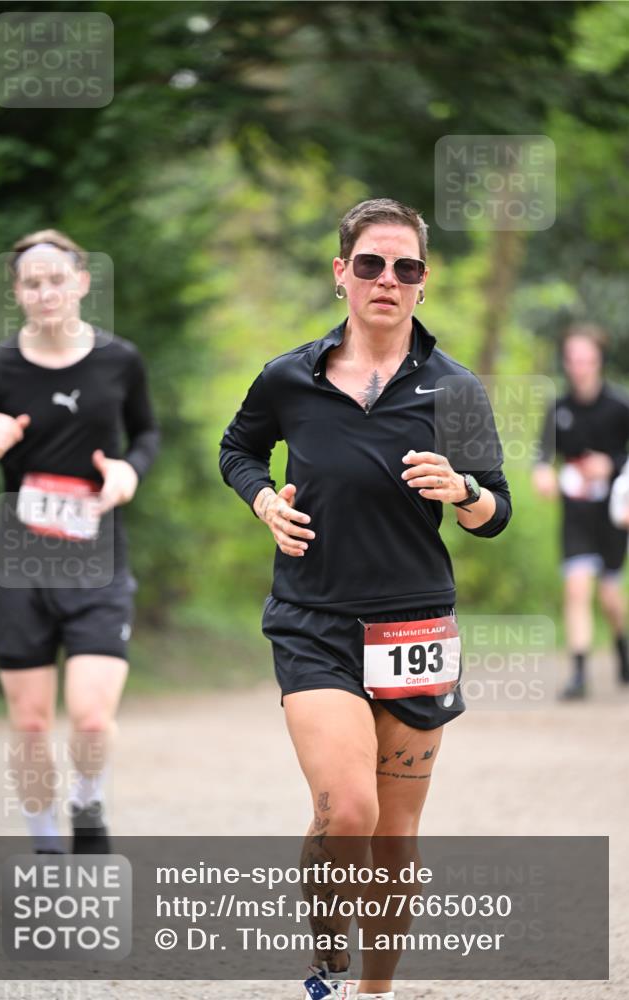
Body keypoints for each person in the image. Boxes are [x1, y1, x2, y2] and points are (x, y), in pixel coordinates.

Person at [220, 198, 511, 1000]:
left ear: (423, 285)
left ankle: (373, 993)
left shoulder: (455, 389)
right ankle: (326, 959)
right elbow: (238, 447)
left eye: (406, 268)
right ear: (341, 273)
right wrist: (262, 501)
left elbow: (496, 513)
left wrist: (462, 491)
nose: (388, 279)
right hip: (313, 619)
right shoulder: (290, 376)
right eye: (372, 264)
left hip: (414, 623)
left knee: (392, 835)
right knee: (346, 811)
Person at [0, 229, 159, 852]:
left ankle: (88, 799)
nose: (45, 291)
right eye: (31, 282)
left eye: (56, 279)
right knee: (29, 721)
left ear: (80, 283)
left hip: (98, 555)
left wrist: (131, 470)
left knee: (94, 716)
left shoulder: (119, 360)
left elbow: (147, 434)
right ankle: (45, 834)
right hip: (23, 561)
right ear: (18, 293)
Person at [533, 323, 629, 699]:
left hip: (614, 514)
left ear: (599, 360)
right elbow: (543, 455)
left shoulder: (620, 406)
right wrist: (543, 474)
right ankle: (578, 673)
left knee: (608, 594)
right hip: (575, 513)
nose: (579, 366)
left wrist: (612, 465)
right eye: (572, 359)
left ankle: (621, 645)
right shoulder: (558, 409)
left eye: (586, 358)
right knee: (576, 588)